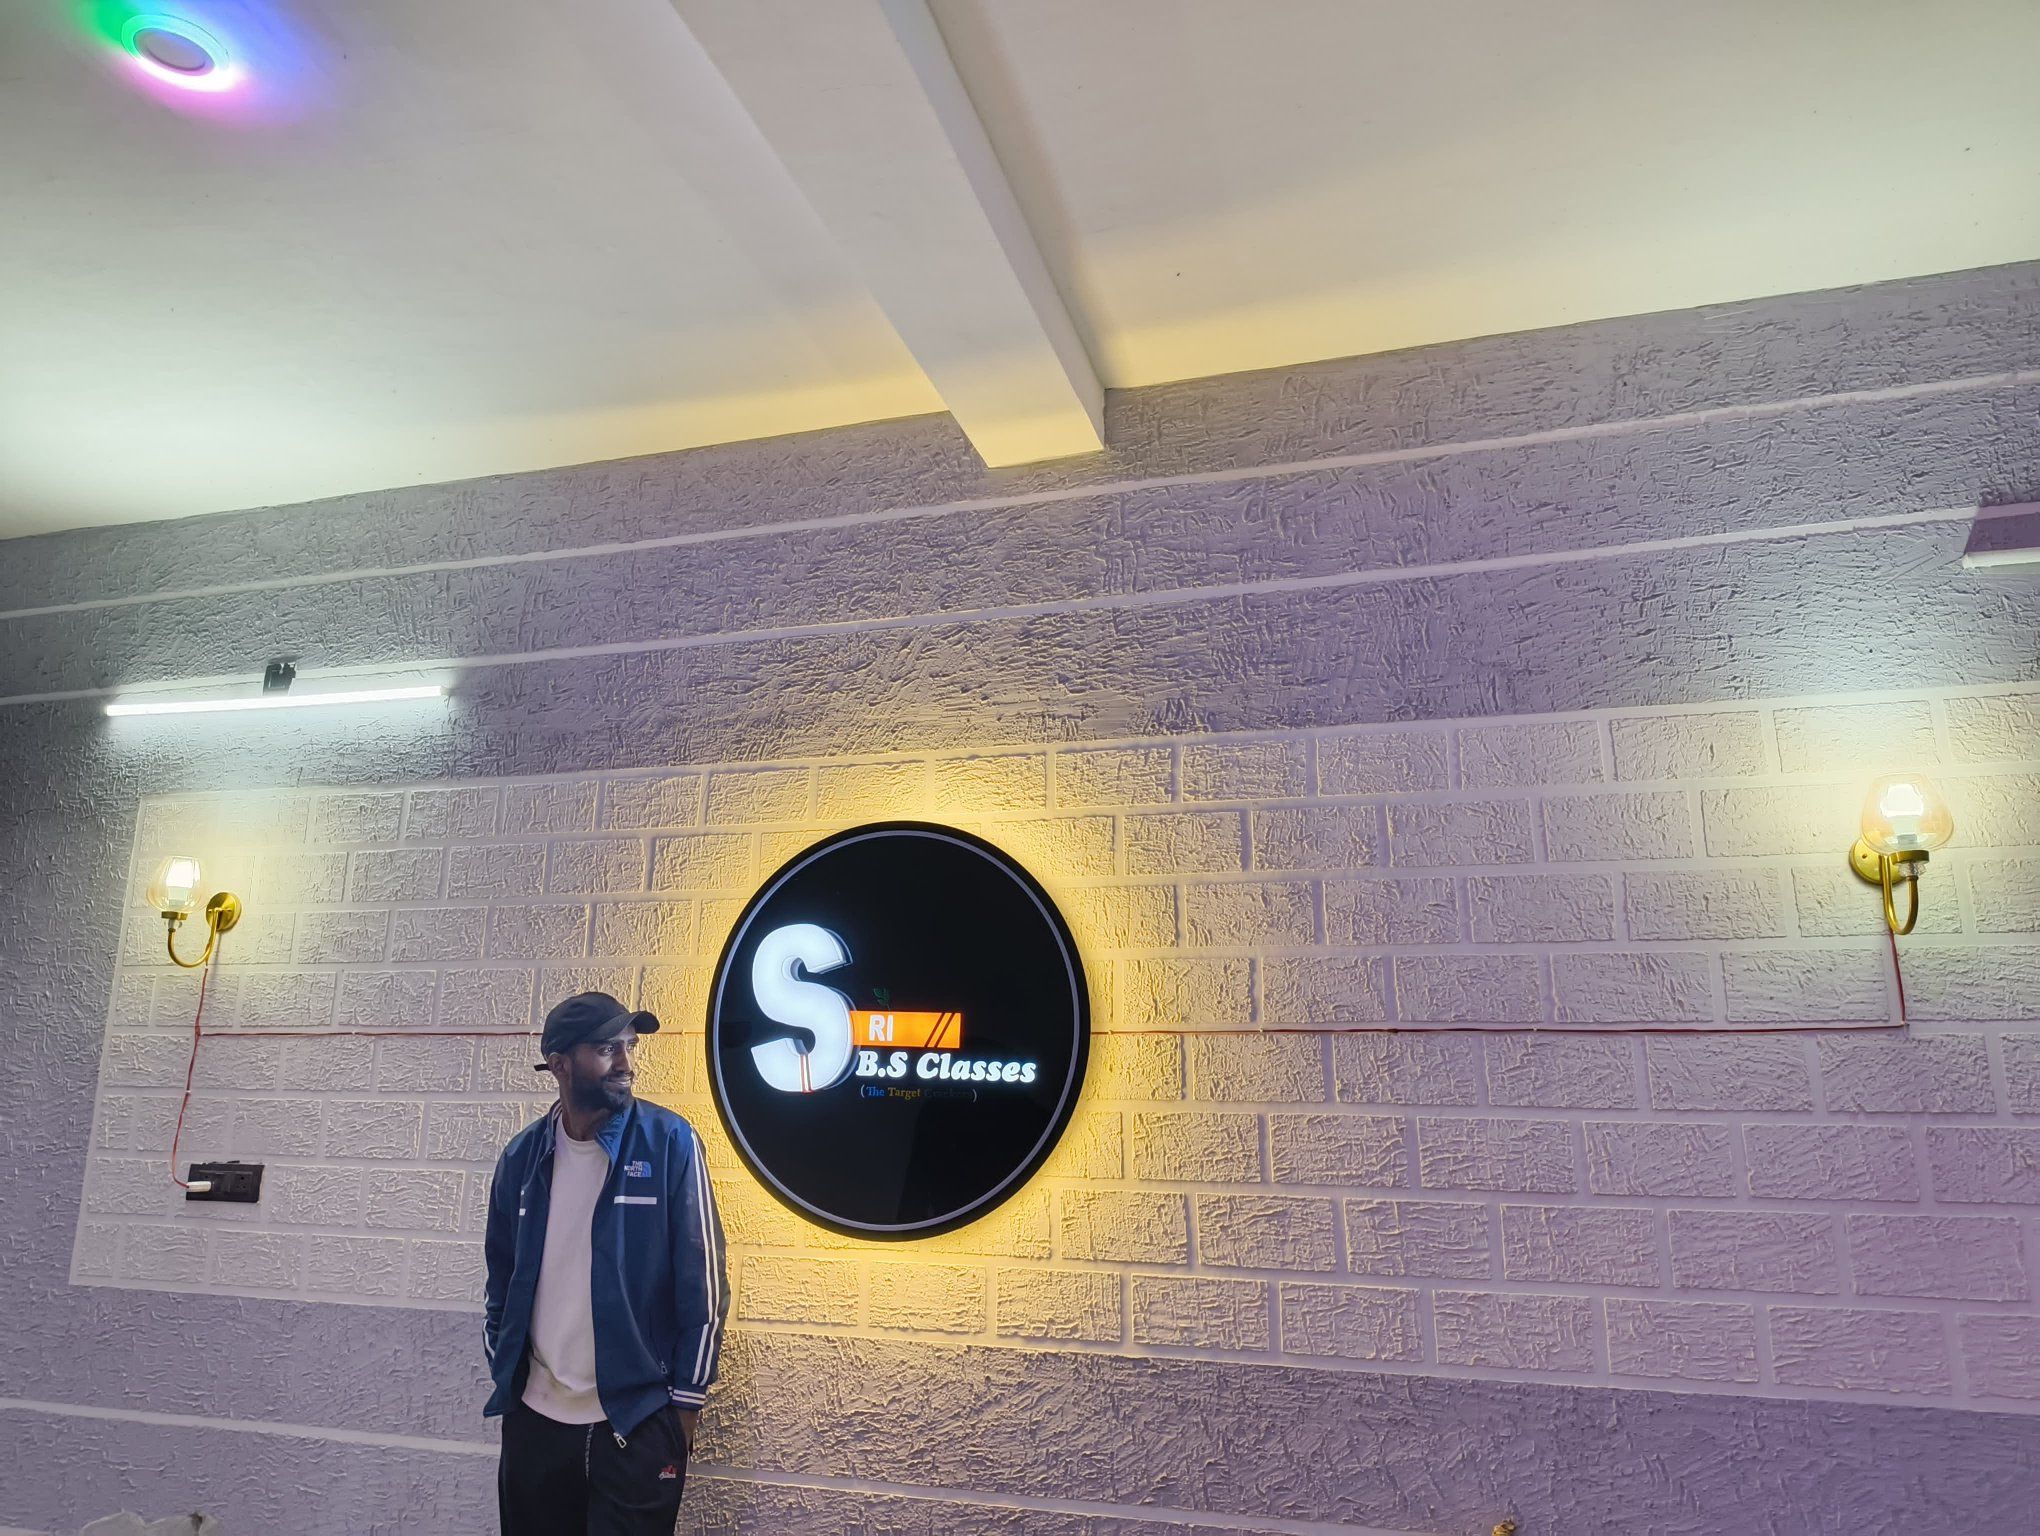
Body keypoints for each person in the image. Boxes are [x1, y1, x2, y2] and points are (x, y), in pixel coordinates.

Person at [483, 991, 728, 1534]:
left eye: (628, 1046)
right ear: (560, 1065)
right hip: (536, 1420)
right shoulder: (522, 1157)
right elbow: (499, 1279)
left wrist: (683, 1406)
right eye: (605, 1049)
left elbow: (704, 1284)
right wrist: (507, 1370)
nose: (624, 1062)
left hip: (637, 1419)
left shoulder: (670, 1142)